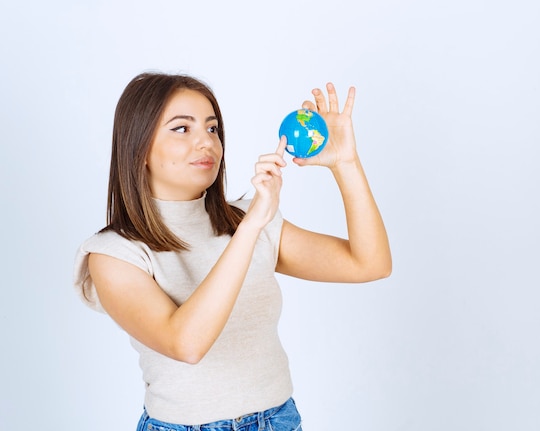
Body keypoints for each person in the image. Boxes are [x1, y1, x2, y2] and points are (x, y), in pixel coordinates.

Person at [73, 72, 392, 430]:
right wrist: (250, 228)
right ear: (139, 147)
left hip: (279, 420)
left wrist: (345, 163)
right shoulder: (113, 254)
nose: (205, 142)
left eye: (212, 129)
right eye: (182, 129)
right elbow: (187, 344)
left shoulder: (245, 217)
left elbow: (370, 264)